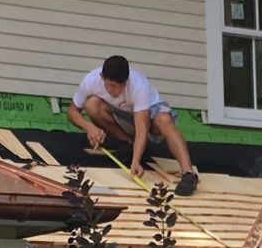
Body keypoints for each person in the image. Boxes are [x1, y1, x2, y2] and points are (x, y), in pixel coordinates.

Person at [68, 54, 200, 197]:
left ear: (127, 80)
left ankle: (189, 174)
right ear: (101, 77)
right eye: (111, 86)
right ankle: (127, 143)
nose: (116, 91)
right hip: (122, 116)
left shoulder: (138, 86)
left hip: (149, 116)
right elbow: (72, 112)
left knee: (165, 120)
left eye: (121, 86)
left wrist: (135, 162)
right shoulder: (90, 81)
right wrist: (89, 127)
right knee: (91, 104)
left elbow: (142, 129)